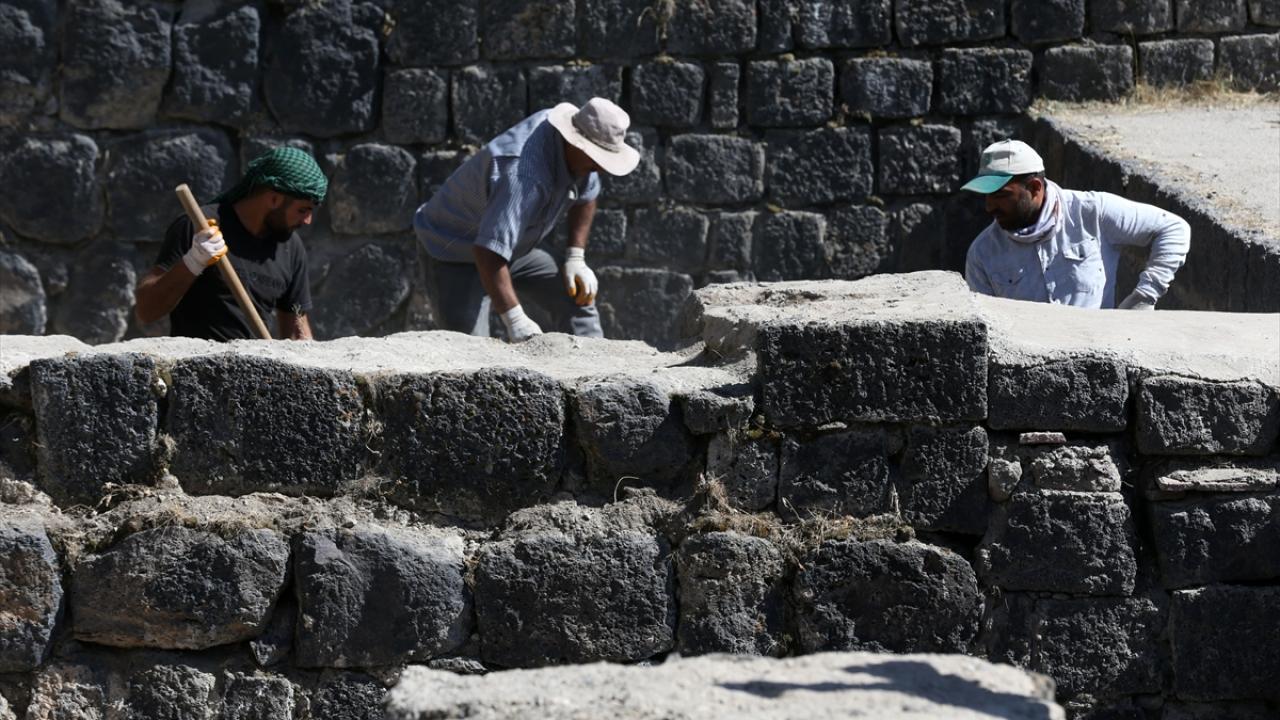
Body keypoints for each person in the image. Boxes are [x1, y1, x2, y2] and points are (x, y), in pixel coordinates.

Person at [413, 97, 640, 342]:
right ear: (577, 144)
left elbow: (587, 194)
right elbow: (487, 253)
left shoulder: (578, 152)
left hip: (510, 247)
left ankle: (596, 370)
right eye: (597, 160)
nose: (602, 168)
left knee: (577, 297)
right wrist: (515, 319)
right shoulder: (523, 173)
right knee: (471, 353)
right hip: (454, 251)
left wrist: (576, 256)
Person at [961, 139, 1190, 309]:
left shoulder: (1092, 212)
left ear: (1034, 188)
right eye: (986, 195)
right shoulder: (982, 254)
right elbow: (986, 328)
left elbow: (1173, 229)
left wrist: (1144, 297)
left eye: (1000, 195)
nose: (989, 206)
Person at [134, 147, 327, 340]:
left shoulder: (290, 247)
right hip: (197, 367)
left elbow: (297, 329)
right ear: (274, 198)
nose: (308, 220)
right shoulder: (200, 228)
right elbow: (146, 311)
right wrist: (193, 261)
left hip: (257, 367)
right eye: (303, 210)